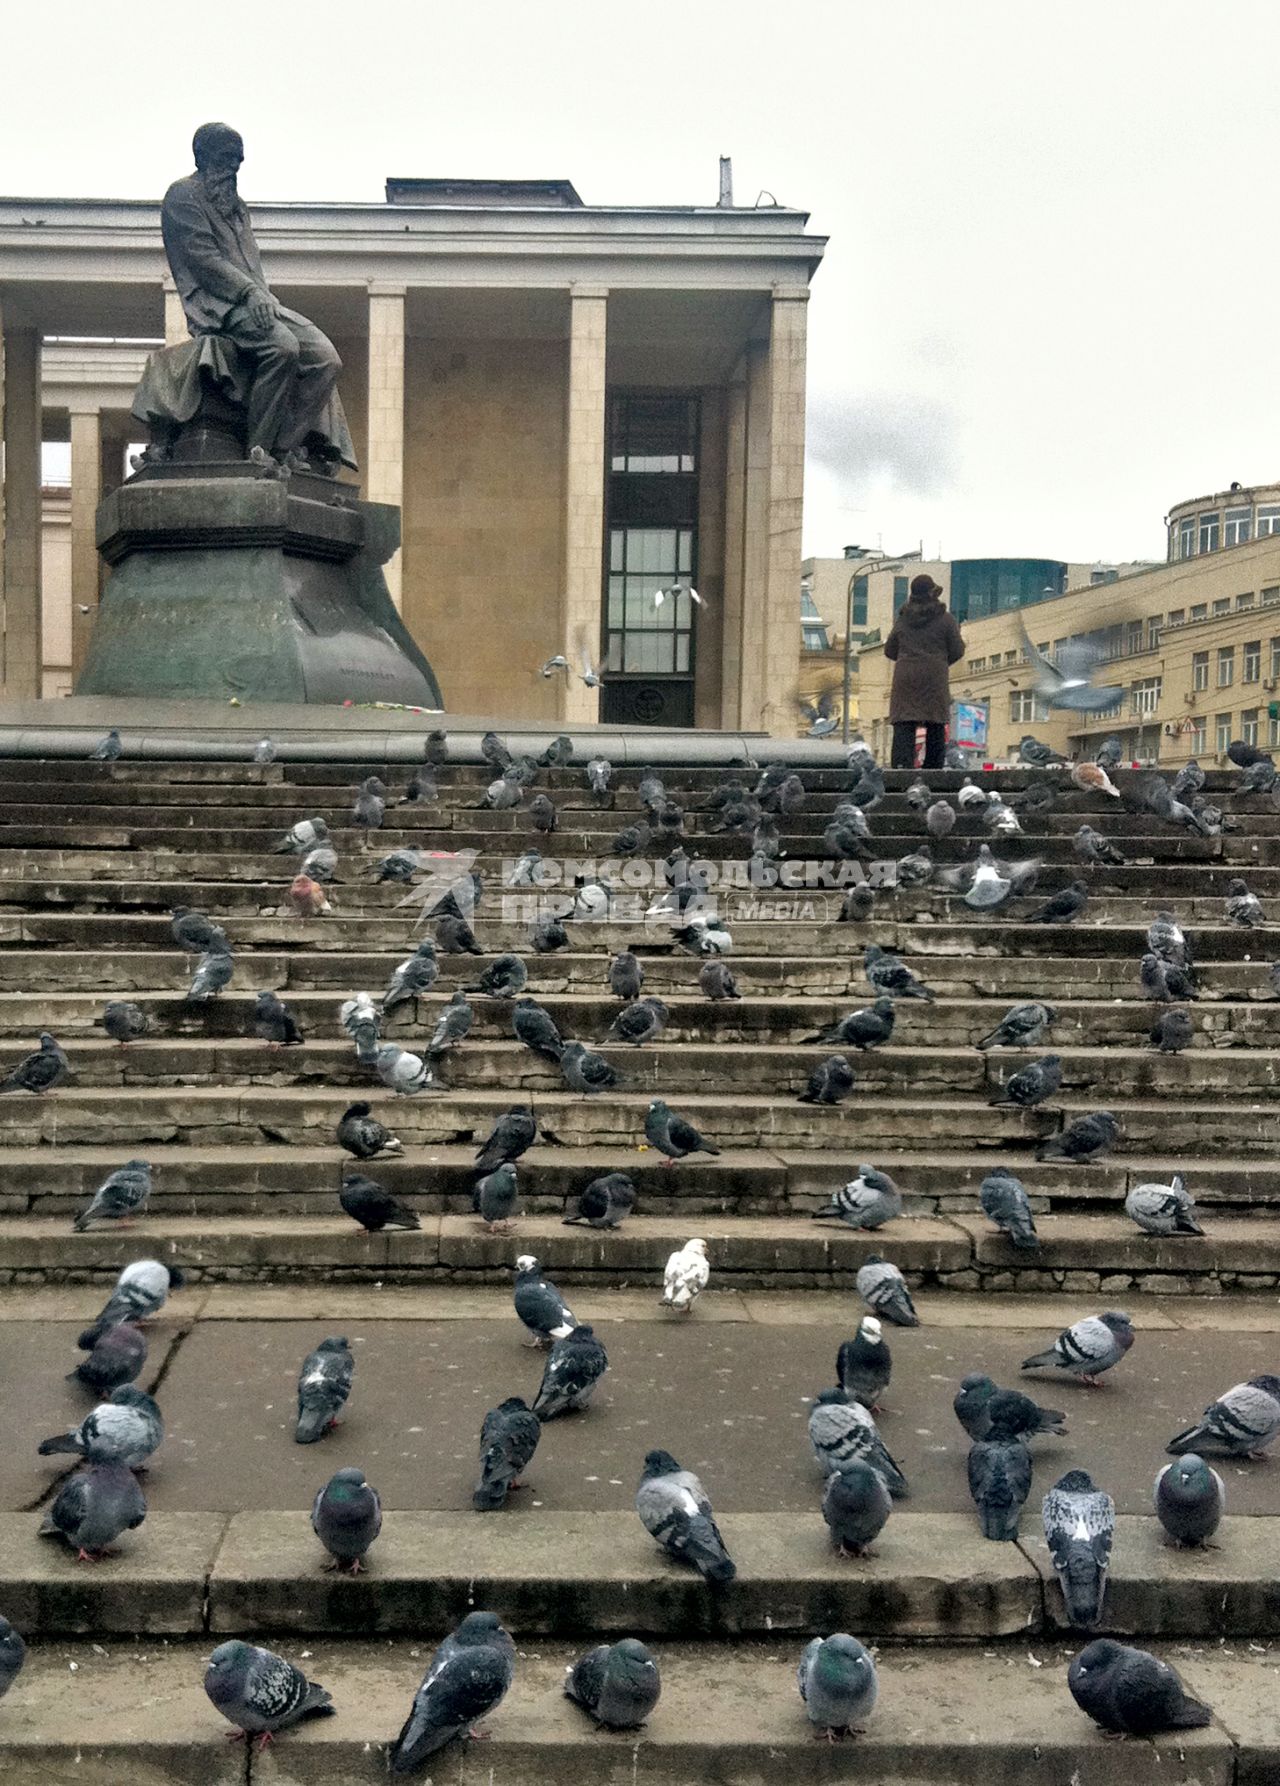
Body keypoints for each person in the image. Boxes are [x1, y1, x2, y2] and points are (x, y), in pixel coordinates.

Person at [160, 123, 344, 464]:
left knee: (326, 358)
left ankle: (283, 446)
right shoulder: (182, 196)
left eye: (238, 161)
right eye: (226, 159)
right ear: (201, 157)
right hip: (217, 306)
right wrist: (249, 293)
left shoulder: (237, 205)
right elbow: (203, 260)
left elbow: (250, 263)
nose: (233, 168)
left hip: (255, 301)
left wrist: (262, 297)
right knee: (282, 347)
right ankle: (258, 450)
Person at [882, 574, 965, 769]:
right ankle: (932, 772)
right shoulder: (946, 620)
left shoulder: (903, 619)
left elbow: (889, 649)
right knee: (935, 725)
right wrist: (939, 661)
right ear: (932, 593)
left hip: (906, 677)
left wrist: (907, 659)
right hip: (934, 678)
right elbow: (958, 650)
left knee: (904, 724)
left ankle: (901, 772)